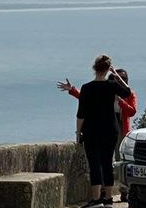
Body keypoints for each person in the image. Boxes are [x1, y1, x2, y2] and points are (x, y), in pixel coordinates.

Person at [58, 68, 137, 201]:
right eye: (115, 78)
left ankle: (124, 191)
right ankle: (104, 193)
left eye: (121, 78)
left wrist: (120, 101)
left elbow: (132, 112)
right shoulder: (106, 90)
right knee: (105, 162)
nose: (117, 80)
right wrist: (71, 89)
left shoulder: (129, 94)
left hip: (120, 129)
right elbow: (85, 97)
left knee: (121, 161)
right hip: (106, 127)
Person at [74, 54, 132, 208]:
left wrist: (78, 132)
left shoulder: (87, 88)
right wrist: (117, 78)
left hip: (92, 130)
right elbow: (128, 92)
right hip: (111, 129)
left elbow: (81, 113)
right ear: (108, 69)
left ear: (94, 68)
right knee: (107, 163)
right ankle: (108, 199)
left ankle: (95, 198)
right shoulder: (112, 85)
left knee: (94, 163)